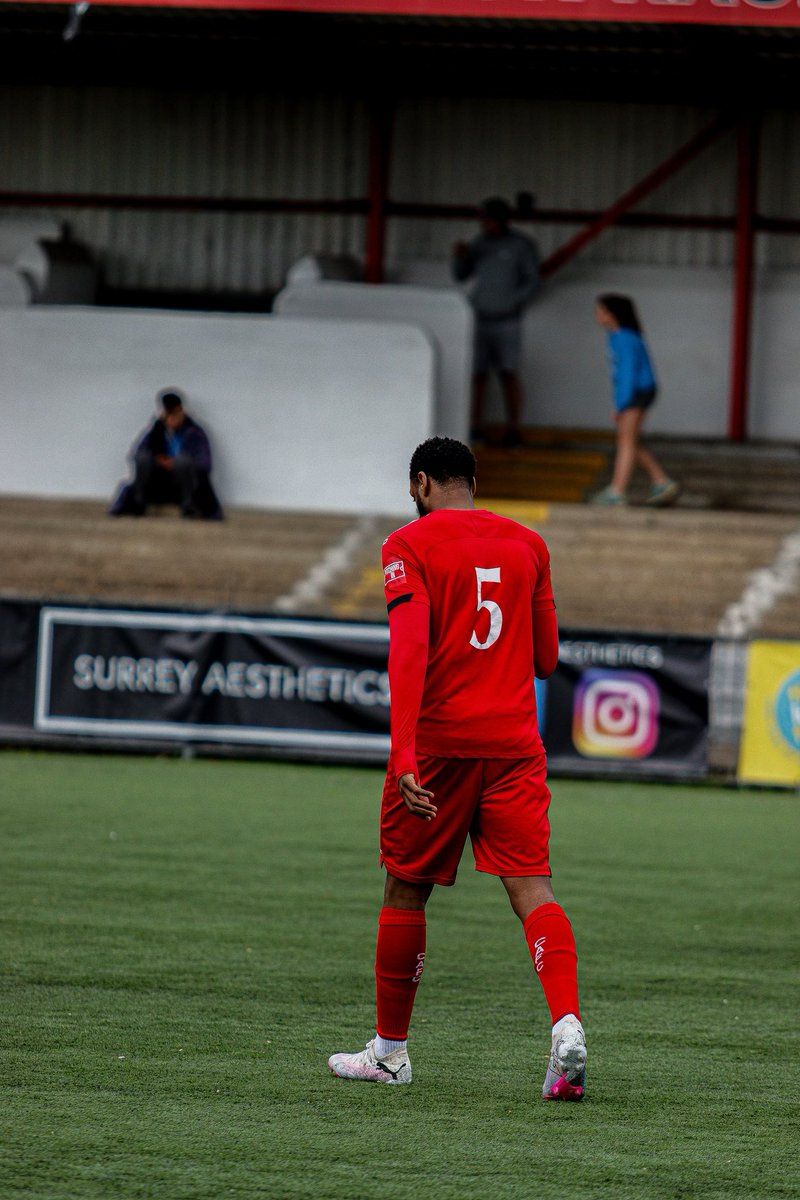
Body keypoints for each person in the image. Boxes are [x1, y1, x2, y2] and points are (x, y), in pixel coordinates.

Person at [327, 435, 586, 1101]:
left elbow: (409, 648)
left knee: (405, 889)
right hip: (514, 745)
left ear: (421, 484)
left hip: (440, 746)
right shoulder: (530, 544)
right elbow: (547, 659)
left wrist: (405, 753)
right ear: (472, 480)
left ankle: (390, 1054)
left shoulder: (408, 546)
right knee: (533, 889)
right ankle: (565, 1025)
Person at [452, 197, 541, 449]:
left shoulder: (521, 245)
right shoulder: (478, 244)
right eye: (483, 219)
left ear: (502, 219)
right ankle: (474, 427)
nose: (486, 224)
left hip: (508, 321)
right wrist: (460, 257)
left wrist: (514, 302)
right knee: (477, 375)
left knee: (508, 373)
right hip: (479, 319)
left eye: (490, 219)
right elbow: (461, 275)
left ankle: (513, 429)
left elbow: (533, 280)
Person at [591, 294, 680, 507]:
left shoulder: (624, 338)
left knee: (625, 440)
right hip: (635, 393)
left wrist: (620, 405)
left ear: (613, 314)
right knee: (630, 439)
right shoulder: (617, 336)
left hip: (637, 393)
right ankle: (661, 481)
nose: (598, 316)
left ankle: (617, 491)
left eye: (601, 311)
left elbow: (627, 374)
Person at [110, 389, 223, 520]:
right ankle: (138, 502)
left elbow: (204, 463)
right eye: (168, 415)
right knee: (144, 459)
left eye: (174, 414)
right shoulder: (155, 431)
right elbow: (137, 454)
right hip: (158, 481)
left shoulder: (195, 433)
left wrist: (175, 464)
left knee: (183, 462)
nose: (171, 419)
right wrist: (158, 460)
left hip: (184, 482)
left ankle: (188, 505)